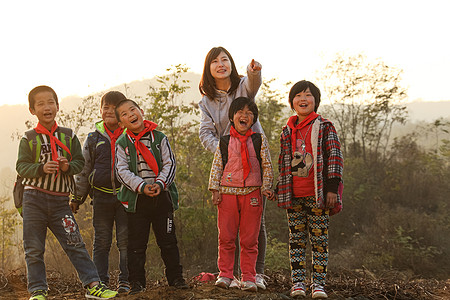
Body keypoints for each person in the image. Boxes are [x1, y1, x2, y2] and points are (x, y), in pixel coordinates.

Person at [16, 85, 118, 300]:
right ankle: (37, 291)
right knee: (33, 249)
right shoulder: (29, 138)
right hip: (33, 198)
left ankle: (93, 285)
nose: (47, 107)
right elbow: (21, 167)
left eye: (50, 102)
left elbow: (79, 163)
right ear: (32, 110)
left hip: (60, 202)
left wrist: (66, 167)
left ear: (58, 106)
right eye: (41, 104)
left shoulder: (68, 136)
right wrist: (41, 169)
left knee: (75, 244)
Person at [198, 46, 269, 290]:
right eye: (215, 61)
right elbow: (205, 132)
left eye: (225, 59)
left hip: (254, 164)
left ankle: (254, 274)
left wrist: (254, 71)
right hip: (228, 169)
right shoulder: (206, 101)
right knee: (229, 227)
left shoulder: (242, 86)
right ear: (208, 68)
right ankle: (229, 274)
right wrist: (225, 149)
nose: (221, 64)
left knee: (254, 225)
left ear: (231, 63)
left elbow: (253, 83)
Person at [276, 81, 344, 299]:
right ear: (291, 101)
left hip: (318, 195)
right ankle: (297, 284)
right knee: (296, 240)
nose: (302, 99)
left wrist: (332, 189)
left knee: (319, 241)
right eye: (297, 95)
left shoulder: (325, 126)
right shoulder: (287, 130)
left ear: (316, 101)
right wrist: (278, 188)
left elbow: (334, 157)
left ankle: (318, 286)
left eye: (308, 95)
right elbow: (283, 163)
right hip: (293, 195)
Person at [114, 99, 188, 295]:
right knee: (136, 244)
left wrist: (160, 184)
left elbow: (170, 163)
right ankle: (137, 283)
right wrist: (142, 186)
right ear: (121, 124)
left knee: (168, 241)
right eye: (124, 114)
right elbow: (121, 172)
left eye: (133, 110)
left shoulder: (159, 137)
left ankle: (176, 278)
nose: (130, 115)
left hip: (161, 197)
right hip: (137, 201)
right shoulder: (122, 144)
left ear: (141, 111)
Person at [208, 97, 274, 292]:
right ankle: (226, 274)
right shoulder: (225, 141)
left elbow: (267, 164)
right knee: (226, 236)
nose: (244, 116)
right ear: (232, 117)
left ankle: (249, 277)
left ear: (253, 119)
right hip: (227, 193)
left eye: (249, 113)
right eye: (240, 112)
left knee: (249, 239)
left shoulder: (259, 139)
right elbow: (217, 166)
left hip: (252, 193)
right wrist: (214, 189)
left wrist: (267, 186)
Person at [71, 91, 130, 293]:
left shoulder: (130, 135)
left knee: (125, 241)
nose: (108, 111)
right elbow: (84, 170)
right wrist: (77, 198)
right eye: (105, 107)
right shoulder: (93, 138)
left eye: (113, 107)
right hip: (101, 197)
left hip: (126, 197)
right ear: (100, 110)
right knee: (101, 242)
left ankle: (125, 281)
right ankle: (100, 282)